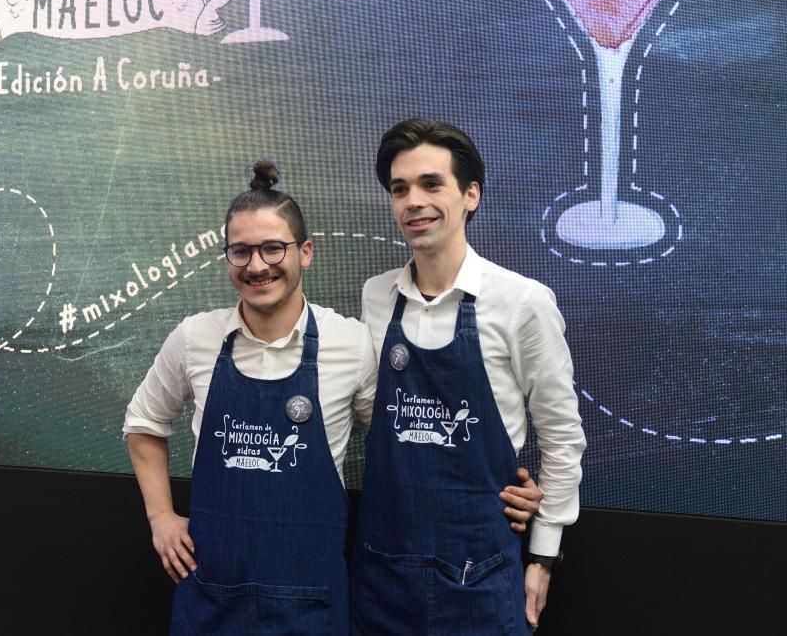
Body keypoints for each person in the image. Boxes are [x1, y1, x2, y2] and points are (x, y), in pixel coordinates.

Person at [124, 161, 543, 635]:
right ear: (227, 259)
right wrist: (161, 517)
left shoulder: (351, 342)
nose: (257, 265)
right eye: (240, 252)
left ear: (305, 253)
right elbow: (143, 423)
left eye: (272, 249)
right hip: (212, 601)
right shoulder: (195, 337)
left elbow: (403, 442)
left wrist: (496, 489)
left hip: (313, 608)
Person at [351, 119, 587, 635]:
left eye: (431, 184)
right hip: (381, 573)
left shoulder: (522, 302)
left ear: (470, 195)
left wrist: (544, 554)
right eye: (400, 189)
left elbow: (563, 436)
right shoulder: (375, 297)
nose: (414, 201)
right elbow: (372, 414)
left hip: (481, 577)